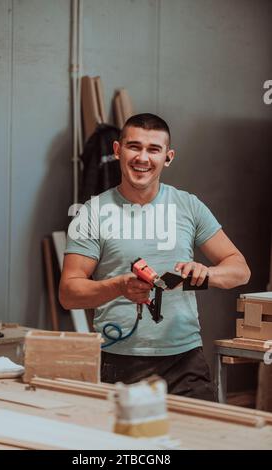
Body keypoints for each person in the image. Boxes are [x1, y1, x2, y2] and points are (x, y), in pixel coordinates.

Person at [59, 113, 250, 401]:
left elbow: (240, 270)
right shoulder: (93, 212)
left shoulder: (189, 206)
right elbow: (69, 293)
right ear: (117, 151)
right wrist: (118, 287)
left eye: (153, 149)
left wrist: (206, 274)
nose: (142, 158)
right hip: (118, 361)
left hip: (185, 360)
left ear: (168, 157)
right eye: (134, 147)